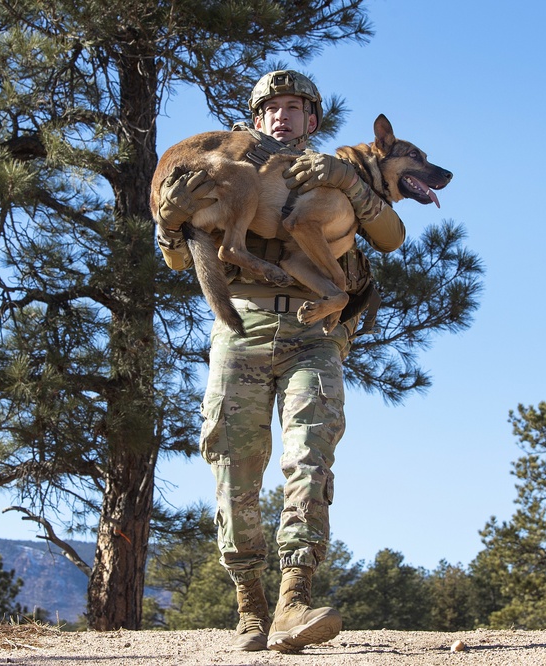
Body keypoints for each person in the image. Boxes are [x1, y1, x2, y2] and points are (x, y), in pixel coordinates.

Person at [154, 70, 405, 652]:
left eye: (294, 108)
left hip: (314, 331)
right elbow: (174, 260)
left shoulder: (334, 172)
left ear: (312, 120)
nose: (282, 116)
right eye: (272, 108)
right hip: (240, 325)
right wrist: (168, 222)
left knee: (310, 454)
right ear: (258, 117)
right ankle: (250, 605)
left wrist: (351, 180)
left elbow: (390, 235)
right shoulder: (225, 163)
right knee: (233, 460)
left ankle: (294, 597)